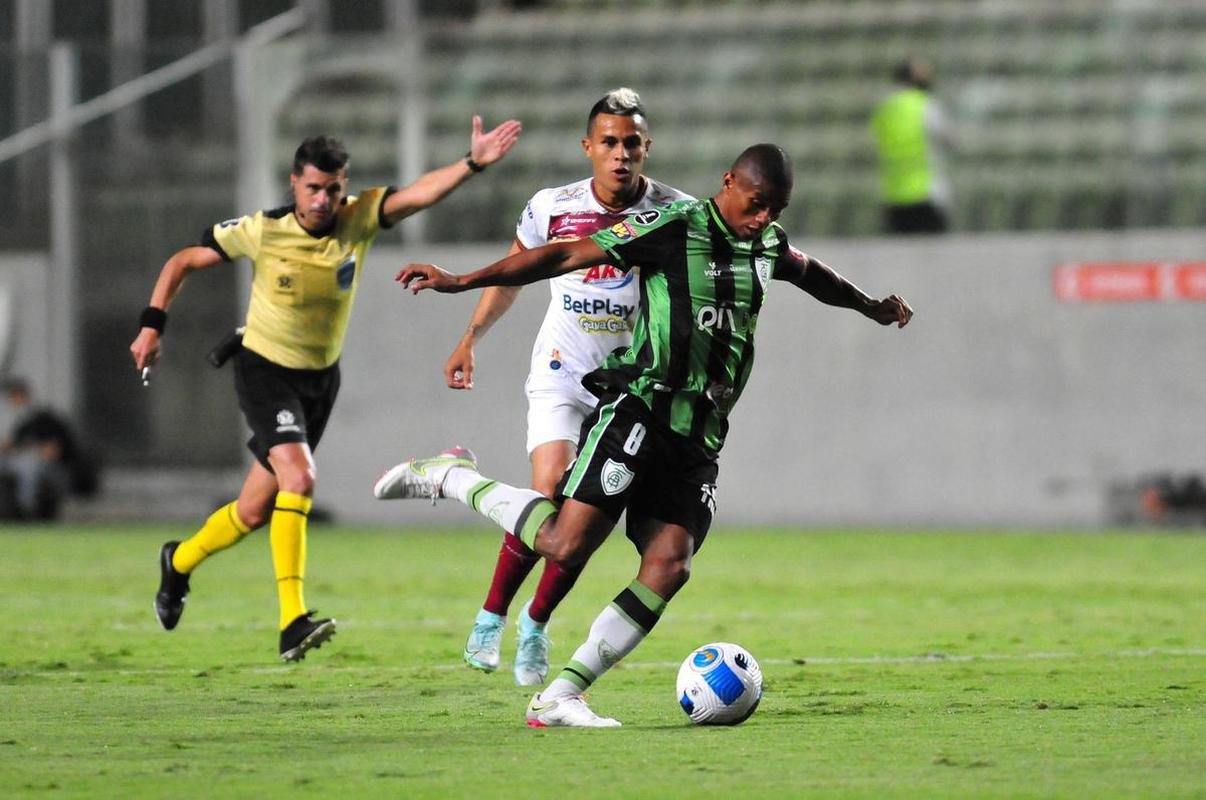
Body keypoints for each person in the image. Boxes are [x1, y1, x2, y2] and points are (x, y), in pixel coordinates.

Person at [377, 144, 913, 725]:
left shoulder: (767, 244)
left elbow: (814, 275)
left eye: (776, 209)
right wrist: (461, 281)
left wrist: (871, 307)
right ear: (728, 182)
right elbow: (563, 256)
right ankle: (452, 477)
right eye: (756, 204)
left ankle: (560, 695)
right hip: (643, 410)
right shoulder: (675, 226)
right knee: (563, 543)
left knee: (669, 564)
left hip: (700, 436)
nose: (764, 218)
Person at [129, 117, 521, 662]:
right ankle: (292, 619)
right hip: (265, 369)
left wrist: (472, 162)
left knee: (251, 511)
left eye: (333, 189)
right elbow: (182, 262)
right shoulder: (263, 229)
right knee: (301, 477)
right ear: (294, 184)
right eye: (313, 188)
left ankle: (178, 562)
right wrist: (153, 323)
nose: (323, 199)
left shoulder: (356, 219)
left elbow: (417, 196)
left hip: (319, 380)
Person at [401, 88, 691, 685]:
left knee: (585, 523)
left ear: (647, 148)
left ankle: (534, 623)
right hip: (562, 368)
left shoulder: (675, 212)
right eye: (608, 143)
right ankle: (489, 618)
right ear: (588, 147)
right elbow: (515, 274)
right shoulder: (551, 207)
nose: (620, 154)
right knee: (551, 493)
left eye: (631, 143)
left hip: (629, 389)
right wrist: (471, 337)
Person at [871, 57, 954, 234]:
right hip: (927, 194)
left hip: (893, 197)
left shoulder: (884, 108)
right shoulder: (925, 105)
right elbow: (950, 139)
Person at [0, 378, 94, 520]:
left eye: (15, 397)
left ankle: (27, 511)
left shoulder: (46, 420)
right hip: (26, 464)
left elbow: (51, 453)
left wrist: (29, 452)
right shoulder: (22, 425)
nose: (13, 402)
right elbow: (12, 447)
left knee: (29, 468)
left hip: (57, 470)